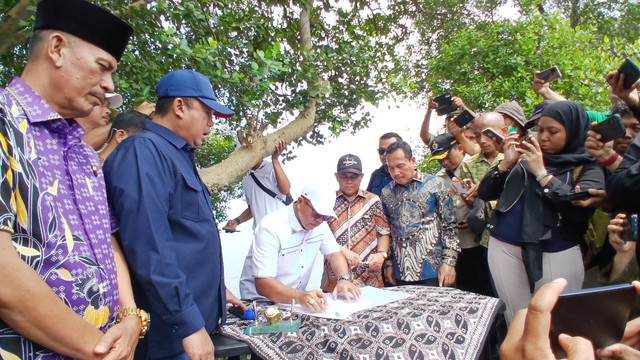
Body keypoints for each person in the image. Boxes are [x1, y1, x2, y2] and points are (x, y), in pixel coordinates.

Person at [0, 0, 141, 358]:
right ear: (57, 49)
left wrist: (130, 316)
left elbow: (105, 242)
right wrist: (98, 349)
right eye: (102, 67)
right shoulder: (4, 122)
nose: (109, 85)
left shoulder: (83, 153)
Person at [104, 69, 244, 359]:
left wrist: (217, 291)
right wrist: (188, 324)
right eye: (207, 113)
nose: (211, 123)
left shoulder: (175, 155)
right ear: (180, 106)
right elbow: (150, 248)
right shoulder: (143, 151)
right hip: (170, 338)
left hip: (192, 328)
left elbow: (186, 238)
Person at [477, 101, 605, 323]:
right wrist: (505, 164)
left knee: (555, 322)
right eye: (539, 129)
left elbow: (578, 210)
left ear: (573, 130)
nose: (543, 137)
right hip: (505, 246)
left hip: (557, 248)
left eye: (552, 131)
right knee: (516, 320)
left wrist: (542, 173)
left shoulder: (588, 165)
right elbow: (485, 193)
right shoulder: (525, 155)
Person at [243, 184, 362, 311]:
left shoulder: (320, 225)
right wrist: (300, 297)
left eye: (326, 217)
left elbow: (334, 254)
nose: (320, 220)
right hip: (261, 301)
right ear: (300, 202)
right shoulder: (270, 226)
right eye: (317, 214)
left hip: (296, 300)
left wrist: (344, 278)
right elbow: (263, 283)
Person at [380, 140, 460, 287]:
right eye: (391, 168)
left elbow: (449, 226)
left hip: (435, 270)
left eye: (400, 166)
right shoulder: (386, 192)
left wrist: (449, 262)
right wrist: (389, 264)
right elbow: (388, 231)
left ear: (413, 161)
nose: (396, 172)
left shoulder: (436, 184)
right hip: (401, 273)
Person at [432, 134, 493, 296]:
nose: (444, 162)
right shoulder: (440, 178)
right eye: (439, 159)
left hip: (482, 240)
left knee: (487, 289)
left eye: (447, 156)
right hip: (458, 246)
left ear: (460, 148)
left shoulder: (476, 165)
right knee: (466, 291)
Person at [321, 154, 391, 291]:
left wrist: (381, 254)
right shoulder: (327, 203)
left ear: (361, 177)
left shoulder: (373, 201)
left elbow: (384, 232)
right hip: (334, 279)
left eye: (353, 177)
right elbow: (319, 235)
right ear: (336, 177)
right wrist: (342, 251)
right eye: (343, 177)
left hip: (369, 277)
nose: (349, 181)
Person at [458, 112, 506, 246]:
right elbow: (474, 207)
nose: (483, 140)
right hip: (488, 237)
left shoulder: (517, 158)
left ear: (504, 131)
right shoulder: (468, 165)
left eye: (488, 134)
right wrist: (467, 194)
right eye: (478, 136)